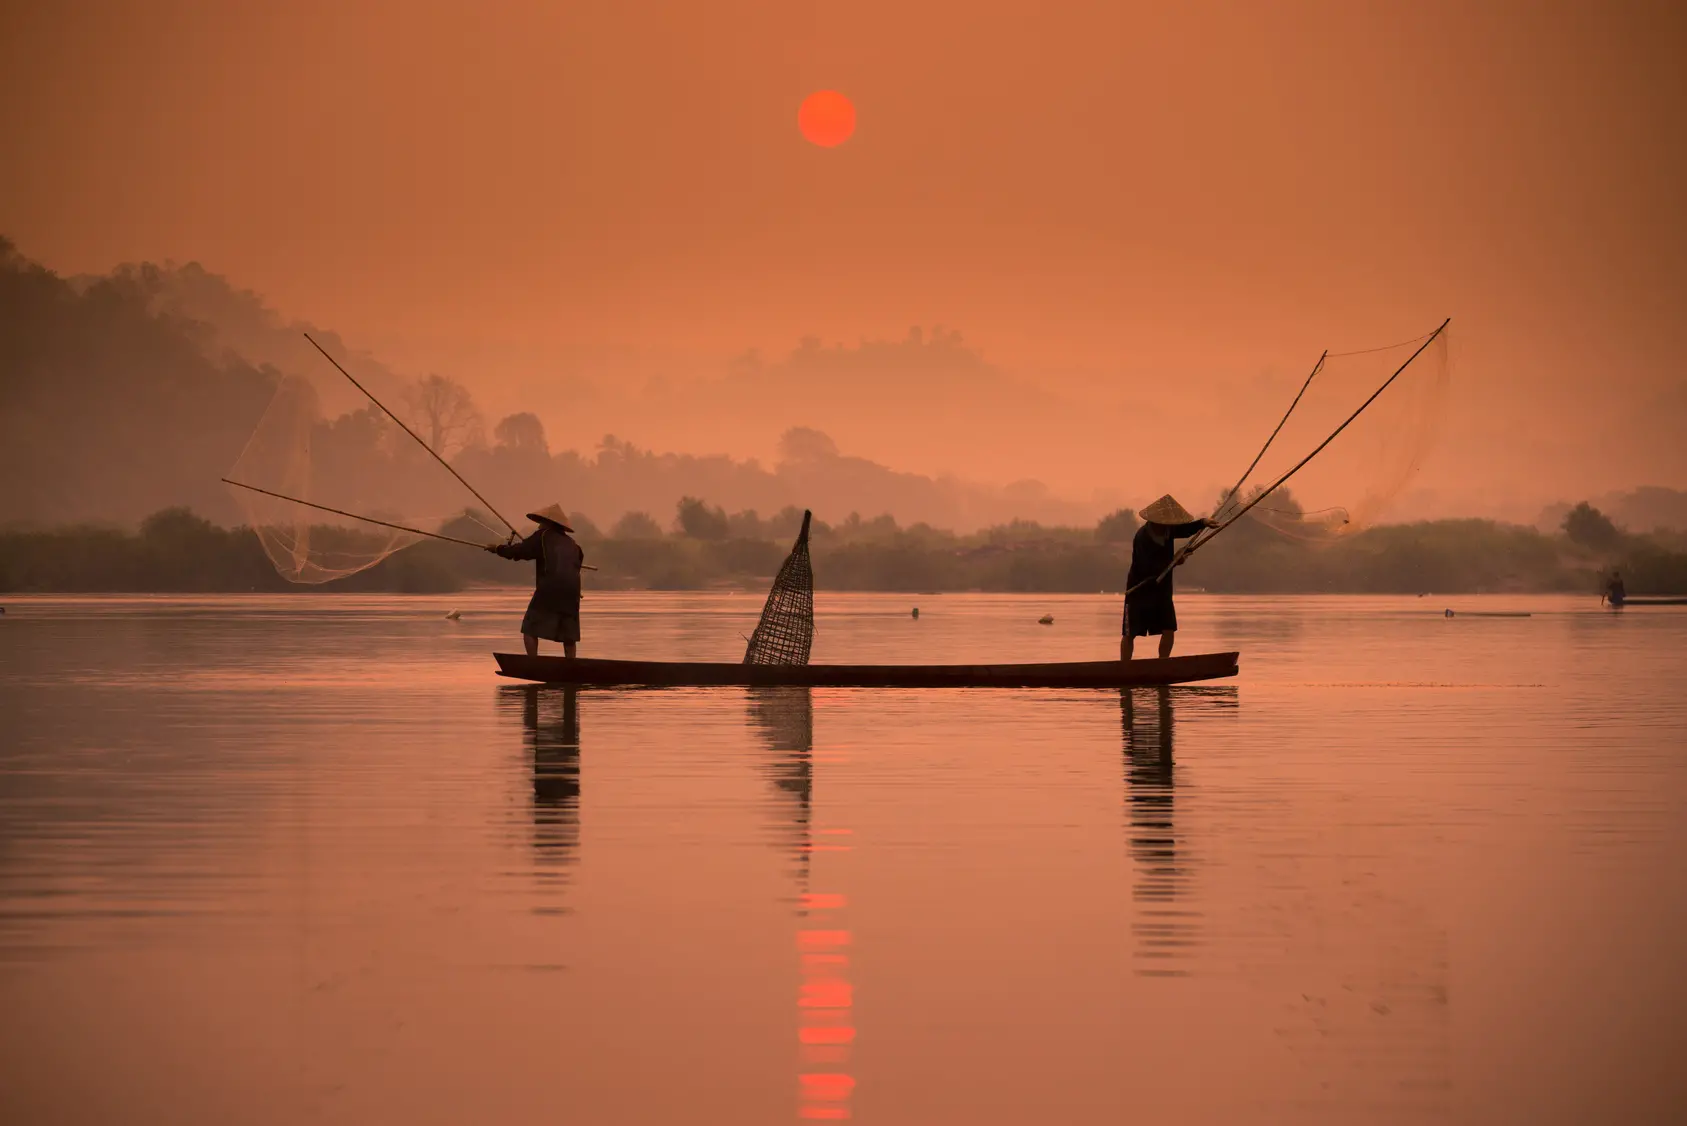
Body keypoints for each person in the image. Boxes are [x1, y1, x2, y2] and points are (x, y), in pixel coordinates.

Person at [1122, 495, 1218, 660]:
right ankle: (1123, 668)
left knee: (1168, 629)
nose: (1167, 526)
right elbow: (1147, 567)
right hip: (1140, 588)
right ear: (1155, 521)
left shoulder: (1168, 530)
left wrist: (1203, 522)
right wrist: (1174, 560)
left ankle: (1163, 664)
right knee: (1130, 632)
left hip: (1162, 590)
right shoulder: (1142, 537)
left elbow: (1186, 530)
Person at [489, 503, 585, 657]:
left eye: (541, 521)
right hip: (572, 592)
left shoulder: (542, 536)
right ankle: (571, 664)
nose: (539, 525)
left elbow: (519, 551)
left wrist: (498, 549)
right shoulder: (574, 545)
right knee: (569, 633)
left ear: (548, 523)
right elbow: (576, 567)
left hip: (550, 588)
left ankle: (533, 662)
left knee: (529, 628)